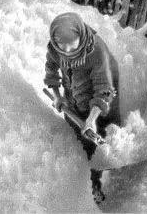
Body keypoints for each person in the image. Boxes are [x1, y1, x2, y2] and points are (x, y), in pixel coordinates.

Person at [44, 12, 120, 204]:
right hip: (74, 94)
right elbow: (51, 72)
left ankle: (97, 183)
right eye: (63, 46)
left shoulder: (96, 50)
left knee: (98, 138)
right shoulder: (55, 48)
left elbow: (103, 89)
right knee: (80, 139)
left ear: (81, 36)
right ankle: (86, 182)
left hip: (103, 90)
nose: (68, 50)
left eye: (73, 44)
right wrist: (58, 97)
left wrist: (91, 119)